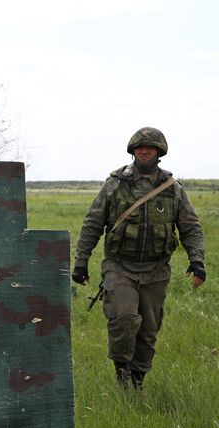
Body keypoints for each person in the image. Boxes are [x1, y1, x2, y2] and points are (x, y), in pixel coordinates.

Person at [72, 127, 206, 390]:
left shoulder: (173, 189)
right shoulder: (115, 184)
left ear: (159, 152)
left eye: (150, 147)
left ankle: (138, 381)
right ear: (133, 151)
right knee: (123, 318)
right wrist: (80, 262)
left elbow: (191, 227)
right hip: (119, 266)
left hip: (156, 270)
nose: (144, 151)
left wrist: (197, 261)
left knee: (148, 330)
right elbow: (92, 224)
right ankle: (122, 372)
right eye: (139, 147)